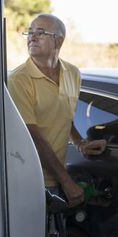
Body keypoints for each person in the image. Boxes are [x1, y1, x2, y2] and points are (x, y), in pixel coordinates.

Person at [8, 14, 106, 207]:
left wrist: (79, 142)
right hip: (30, 179)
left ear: (58, 41)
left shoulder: (73, 73)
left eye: (40, 32)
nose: (32, 37)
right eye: (30, 32)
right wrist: (66, 181)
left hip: (58, 175)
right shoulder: (19, 80)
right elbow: (33, 137)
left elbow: (64, 115)